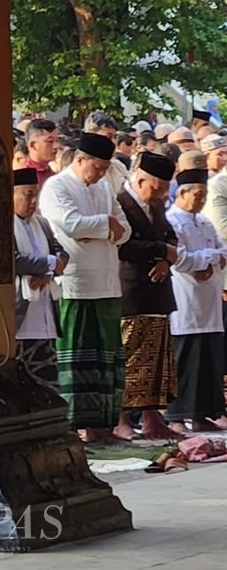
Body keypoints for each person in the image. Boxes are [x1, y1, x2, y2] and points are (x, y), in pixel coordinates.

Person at [38, 133, 131, 442]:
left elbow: (126, 230)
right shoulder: (57, 186)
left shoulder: (104, 187)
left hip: (107, 282)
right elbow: (70, 224)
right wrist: (104, 223)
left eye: (106, 167)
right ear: (80, 160)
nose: (102, 173)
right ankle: (74, 427)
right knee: (77, 358)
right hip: (76, 284)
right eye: (98, 167)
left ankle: (102, 425)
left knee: (106, 359)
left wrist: (100, 228)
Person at [115, 153, 180, 441]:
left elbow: (171, 238)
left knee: (157, 360)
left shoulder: (156, 205)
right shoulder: (120, 203)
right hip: (130, 289)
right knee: (129, 358)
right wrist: (161, 250)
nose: (161, 195)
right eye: (156, 188)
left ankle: (152, 417)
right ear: (140, 179)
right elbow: (124, 244)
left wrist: (166, 259)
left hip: (157, 290)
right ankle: (121, 420)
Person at [165, 169, 227, 432]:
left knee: (208, 359)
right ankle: (177, 417)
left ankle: (203, 414)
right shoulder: (172, 221)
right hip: (186, 300)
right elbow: (180, 258)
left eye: (204, 196)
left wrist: (208, 258)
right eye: (197, 195)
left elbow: (223, 250)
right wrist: (208, 258)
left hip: (209, 301)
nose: (200, 201)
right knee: (186, 360)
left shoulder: (204, 222)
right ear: (182, 193)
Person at [13, 167, 67, 396]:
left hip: (44, 308)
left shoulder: (42, 223)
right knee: (21, 375)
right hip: (19, 310)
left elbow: (61, 253)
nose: (34, 201)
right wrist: (49, 263)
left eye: (36, 194)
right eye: (28, 195)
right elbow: (13, 260)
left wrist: (50, 271)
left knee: (46, 375)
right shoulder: (3, 225)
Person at [23, 119, 58, 187]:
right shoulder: (26, 178)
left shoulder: (52, 173)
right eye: (50, 141)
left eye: (57, 141)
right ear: (33, 145)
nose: (56, 146)